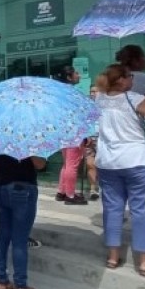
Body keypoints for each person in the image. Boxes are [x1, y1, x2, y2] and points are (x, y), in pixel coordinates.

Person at [95, 63, 145, 276]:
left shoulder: (98, 100)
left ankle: (113, 257)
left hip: (108, 163)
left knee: (112, 209)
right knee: (141, 211)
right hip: (137, 161)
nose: (132, 79)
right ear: (120, 80)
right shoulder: (133, 98)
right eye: (129, 76)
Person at [0, 152, 46, 289]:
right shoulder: (31, 135)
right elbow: (40, 164)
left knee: (2, 234)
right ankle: (20, 287)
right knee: (20, 240)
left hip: (0, 187)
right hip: (23, 187)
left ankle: (1, 281)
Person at [55, 66, 88, 205]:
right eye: (75, 73)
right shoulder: (73, 93)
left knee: (67, 163)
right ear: (69, 77)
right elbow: (79, 114)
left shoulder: (59, 93)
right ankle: (70, 195)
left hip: (63, 131)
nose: (78, 75)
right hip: (74, 131)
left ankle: (61, 191)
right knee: (73, 164)